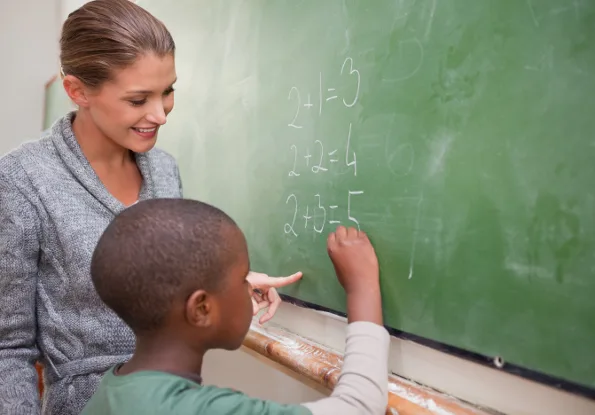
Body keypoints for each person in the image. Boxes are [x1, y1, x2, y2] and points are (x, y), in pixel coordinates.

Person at [0, 1, 300, 414]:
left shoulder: (163, 169)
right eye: (138, 99)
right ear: (77, 91)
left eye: (168, 91)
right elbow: (6, 347)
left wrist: (230, 282)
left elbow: (162, 284)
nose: (160, 114)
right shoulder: (22, 180)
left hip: (174, 401)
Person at [81, 199, 389, 415]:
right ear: (201, 309)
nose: (250, 286)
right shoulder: (199, 410)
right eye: (243, 278)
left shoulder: (112, 391)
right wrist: (362, 288)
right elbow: (358, 408)